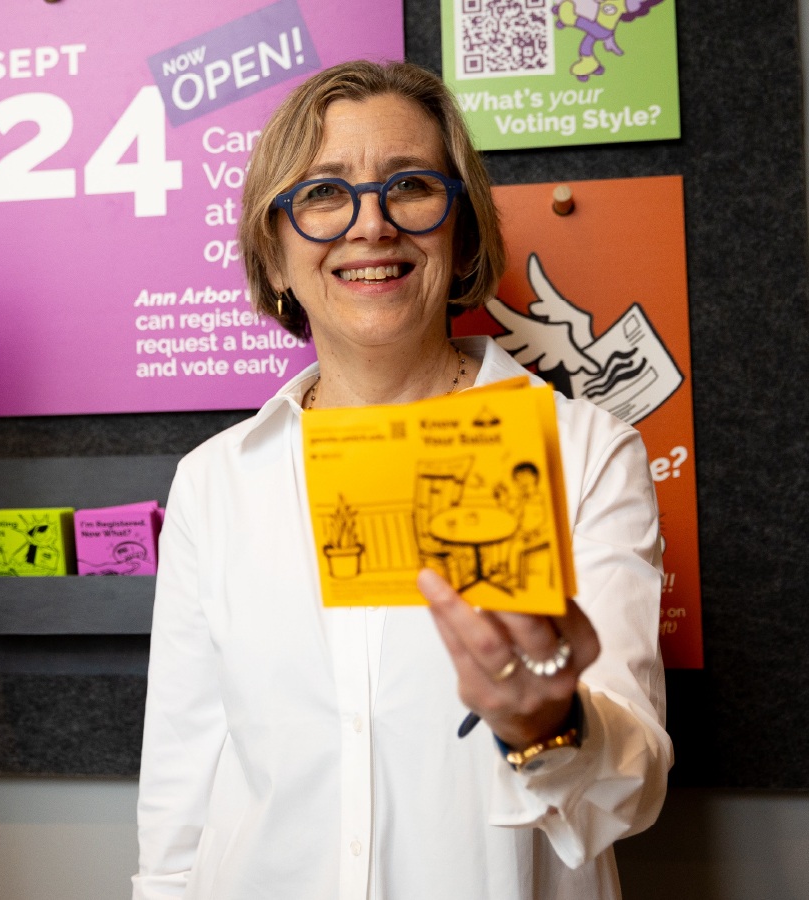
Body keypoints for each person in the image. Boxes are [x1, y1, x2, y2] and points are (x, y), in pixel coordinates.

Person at [133, 60, 669, 900]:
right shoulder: (214, 482)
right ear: (273, 257)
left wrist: (551, 728)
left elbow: (630, 793)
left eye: (410, 186)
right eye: (322, 194)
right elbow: (180, 791)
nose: (371, 226)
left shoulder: (584, 450)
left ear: (458, 232)